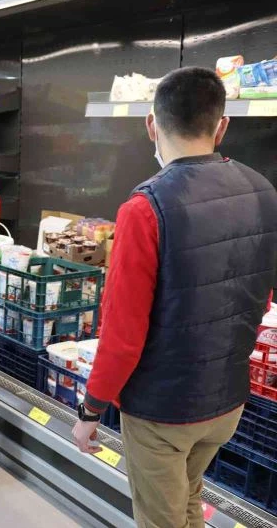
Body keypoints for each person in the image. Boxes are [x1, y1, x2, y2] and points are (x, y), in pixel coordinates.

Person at [71, 67, 277, 528]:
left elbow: (122, 335)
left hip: (162, 411)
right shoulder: (264, 192)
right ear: (221, 125)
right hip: (227, 401)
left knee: (160, 518)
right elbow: (260, 301)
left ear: (151, 124)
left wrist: (90, 410)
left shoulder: (146, 208)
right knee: (189, 499)